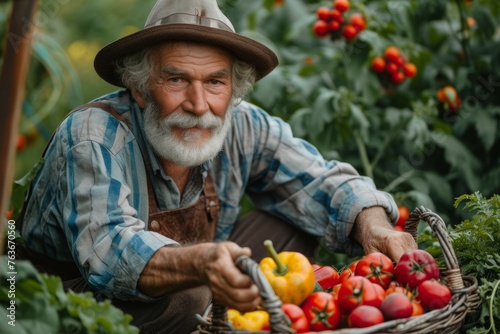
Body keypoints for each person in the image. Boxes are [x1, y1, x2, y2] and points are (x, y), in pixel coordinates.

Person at [18, 0, 417, 332]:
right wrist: (201, 263)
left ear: (233, 88)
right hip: (62, 302)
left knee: (293, 225)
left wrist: (374, 225)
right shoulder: (94, 134)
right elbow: (107, 249)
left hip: (200, 276)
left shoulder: (243, 124)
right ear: (140, 88)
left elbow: (322, 180)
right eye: (176, 80)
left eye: (215, 82)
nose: (198, 104)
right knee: (189, 296)